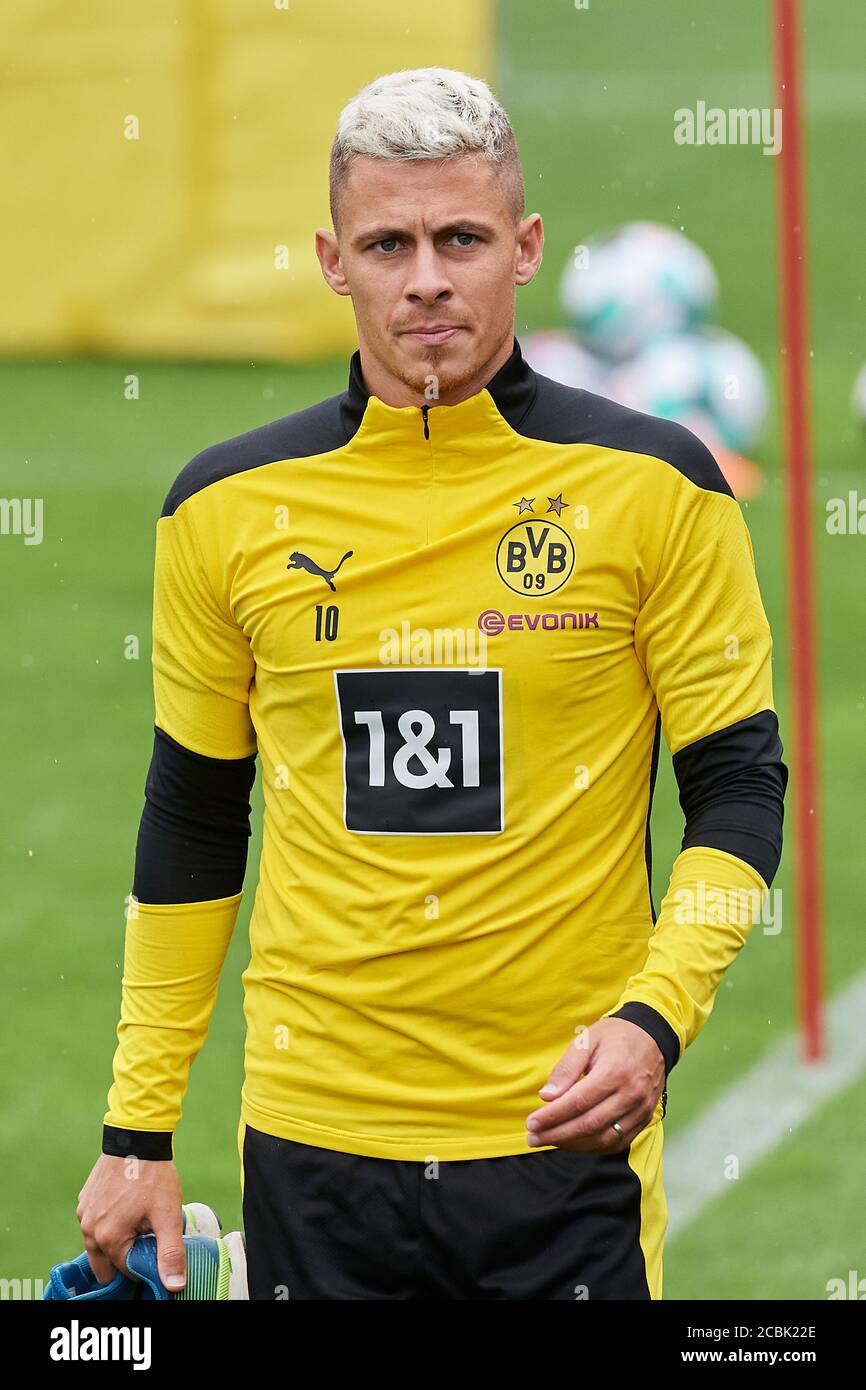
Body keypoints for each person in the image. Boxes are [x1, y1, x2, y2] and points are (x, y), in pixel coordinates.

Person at [77, 66, 787, 1300]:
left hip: (560, 1140)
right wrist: (136, 1132)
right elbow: (191, 817)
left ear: (523, 249)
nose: (423, 280)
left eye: (459, 238)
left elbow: (737, 787)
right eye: (385, 243)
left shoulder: (657, 486)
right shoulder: (221, 508)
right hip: (312, 1144)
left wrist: (653, 1021)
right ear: (329, 259)